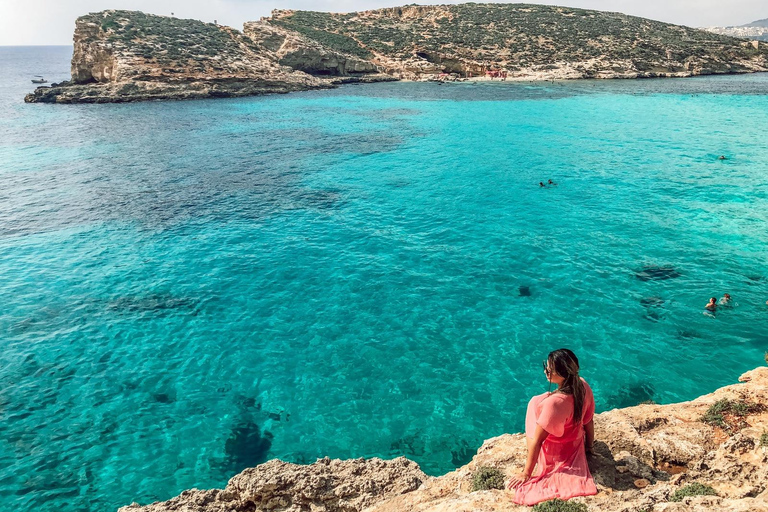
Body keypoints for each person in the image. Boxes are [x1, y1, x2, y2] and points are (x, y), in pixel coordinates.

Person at [507, 349, 597, 505]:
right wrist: (588, 446)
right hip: (575, 441)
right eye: (546, 366)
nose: (545, 371)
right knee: (537, 400)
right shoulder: (582, 384)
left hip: (558, 449)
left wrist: (526, 473)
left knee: (533, 406)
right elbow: (588, 420)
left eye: (549, 369)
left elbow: (538, 441)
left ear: (562, 373)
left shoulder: (555, 404)